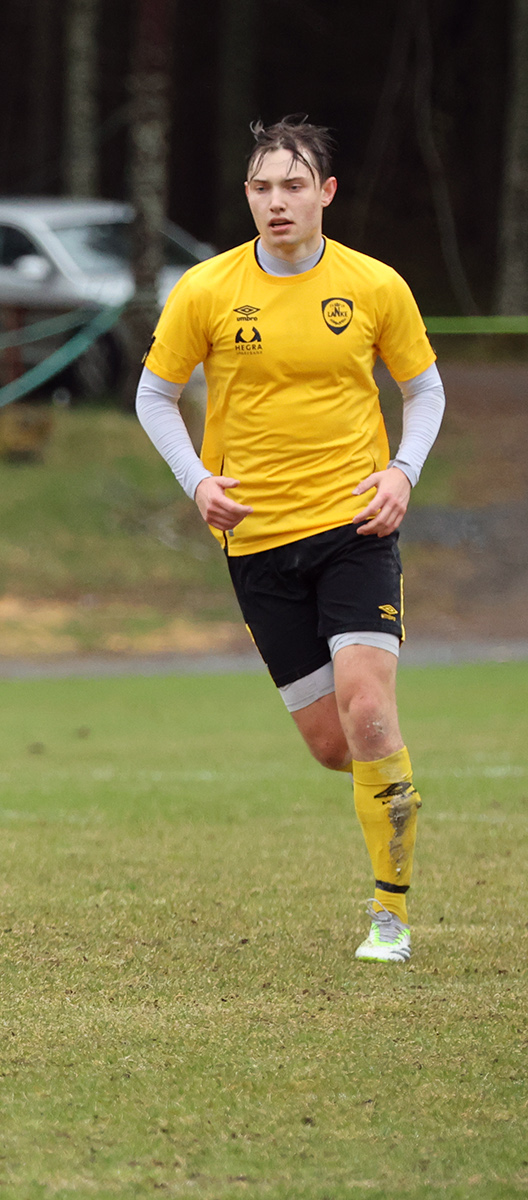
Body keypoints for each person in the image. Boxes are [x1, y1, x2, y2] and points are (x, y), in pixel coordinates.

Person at [136, 117, 444, 964]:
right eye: (263, 187)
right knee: (333, 746)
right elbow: (153, 396)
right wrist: (198, 481)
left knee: (370, 709)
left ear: (326, 194)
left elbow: (425, 390)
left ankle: (391, 914)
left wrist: (402, 473)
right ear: (248, 196)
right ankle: (394, 786)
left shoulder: (375, 285)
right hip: (258, 542)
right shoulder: (206, 289)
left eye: (294, 185)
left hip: (356, 527)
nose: (278, 202)